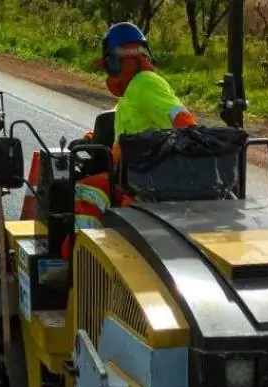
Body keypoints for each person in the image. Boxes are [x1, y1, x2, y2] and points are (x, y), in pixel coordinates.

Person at [73, 23, 198, 234]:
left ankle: (79, 257)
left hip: (143, 181)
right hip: (137, 175)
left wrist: (194, 139)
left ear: (115, 63)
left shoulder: (146, 83)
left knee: (85, 190)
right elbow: (125, 121)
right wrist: (91, 137)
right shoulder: (134, 89)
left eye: (108, 66)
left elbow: (180, 116)